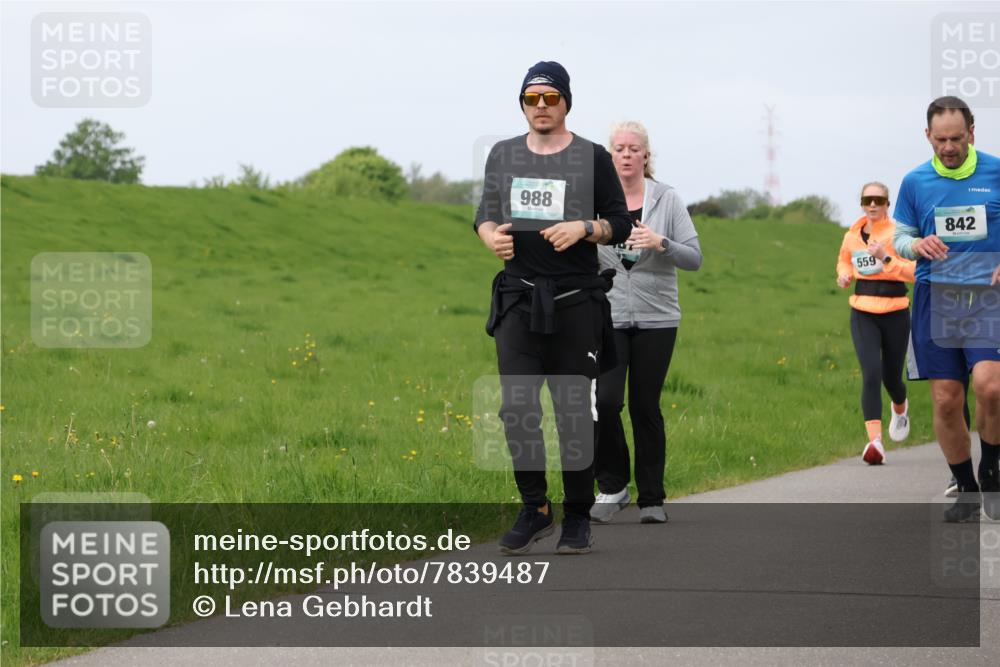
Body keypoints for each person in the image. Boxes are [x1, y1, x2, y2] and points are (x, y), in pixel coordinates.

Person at [474, 61, 633, 554]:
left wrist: (584, 229)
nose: (540, 107)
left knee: (572, 415)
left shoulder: (592, 157)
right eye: (531, 99)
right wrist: (489, 237)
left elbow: (621, 223)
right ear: (522, 104)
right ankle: (534, 507)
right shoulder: (503, 154)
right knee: (517, 410)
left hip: (574, 302)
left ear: (566, 101)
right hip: (519, 299)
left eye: (550, 98)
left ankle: (577, 516)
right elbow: (486, 213)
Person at [893, 96, 1000, 522]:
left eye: (957, 138)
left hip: (987, 298)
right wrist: (916, 244)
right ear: (928, 136)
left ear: (972, 133)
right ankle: (968, 490)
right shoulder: (915, 182)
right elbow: (901, 235)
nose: (949, 147)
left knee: (990, 386)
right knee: (945, 400)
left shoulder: (995, 170)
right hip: (936, 298)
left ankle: (992, 469)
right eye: (941, 140)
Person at [590, 121, 702, 524]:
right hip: (609, 315)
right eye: (618, 148)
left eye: (633, 148)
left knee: (644, 406)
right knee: (604, 403)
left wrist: (662, 243)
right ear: (610, 155)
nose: (625, 154)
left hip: (658, 318)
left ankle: (651, 498)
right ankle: (613, 486)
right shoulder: (596, 200)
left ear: (645, 155)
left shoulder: (667, 200)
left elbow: (694, 258)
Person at [836, 182, 916, 465]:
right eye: (868, 199)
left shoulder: (899, 234)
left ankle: (900, 407)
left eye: (878, 200)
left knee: (891, 378)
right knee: (870, 373)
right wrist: (844, 276)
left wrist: (885, 257)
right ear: (861, 203)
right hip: (863, 311)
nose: (873, 204)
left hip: (895, 311)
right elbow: (844, 262)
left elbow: (913, 273)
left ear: (887, 204)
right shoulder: (851, 236)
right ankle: (875, 443)